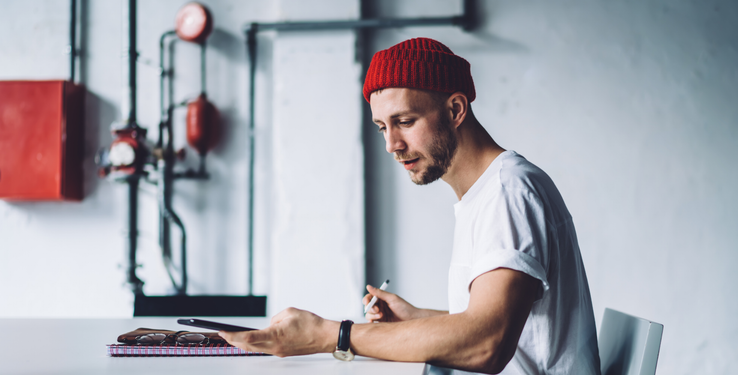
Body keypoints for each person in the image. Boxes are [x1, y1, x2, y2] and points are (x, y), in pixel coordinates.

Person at [220, 37, 601, 375]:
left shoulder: (507, 192)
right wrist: (415, 319)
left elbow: (487, 344)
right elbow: (505, 327)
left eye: (404, 121)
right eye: (383, 127)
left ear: (455, 110)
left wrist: (331, 335)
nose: (392, 144)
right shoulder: (487, 193)